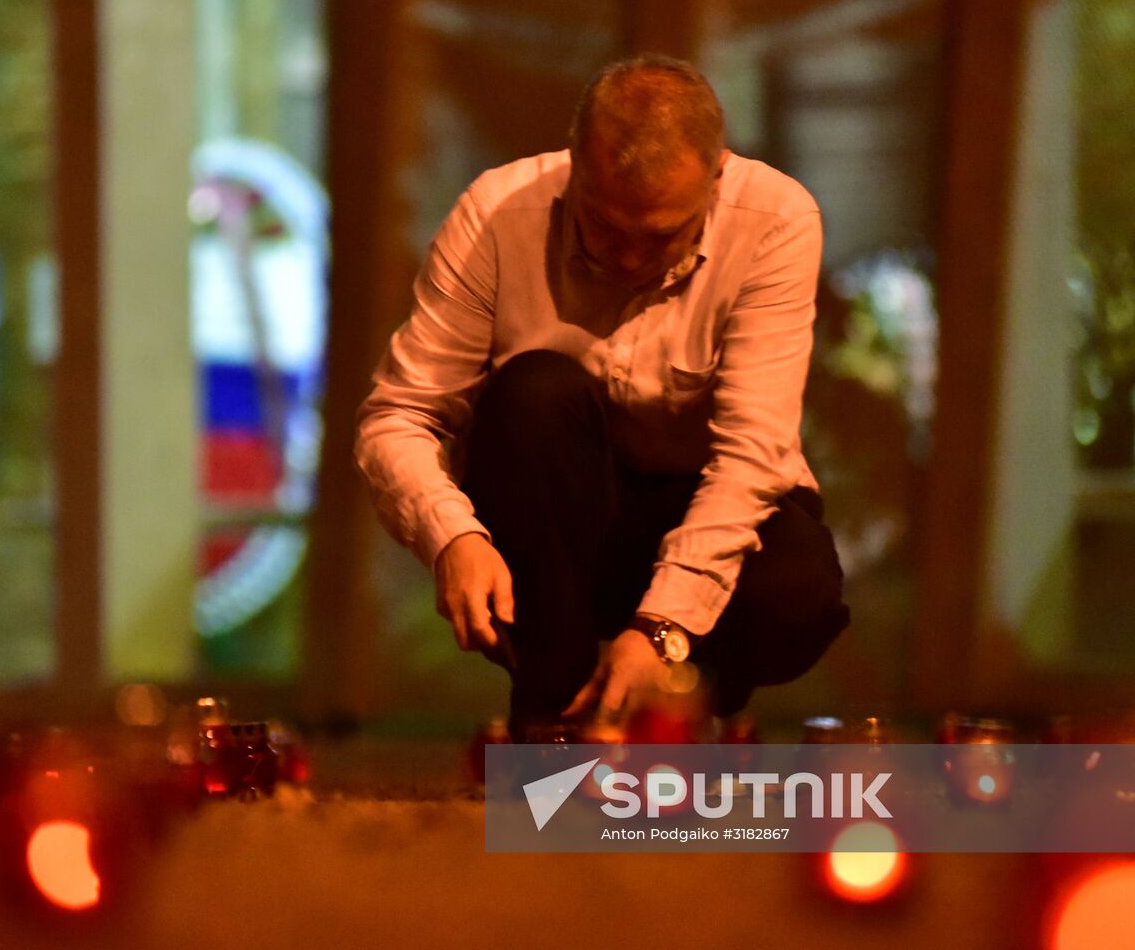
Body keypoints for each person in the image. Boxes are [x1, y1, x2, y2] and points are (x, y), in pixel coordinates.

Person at [354, 55, 849, 733]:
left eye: (660, 236)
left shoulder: (774, 218)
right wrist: (452, 537)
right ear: (574, 165)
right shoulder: (499, 212)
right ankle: (552, 729)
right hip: (554, 529)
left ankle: (680, 718)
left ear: (717, 176)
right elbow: (399, 415)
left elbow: (752, 454)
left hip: (700, 507)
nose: (627, 259)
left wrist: (661, 628)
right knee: (534, 392)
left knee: (799, 590)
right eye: (604, 225)